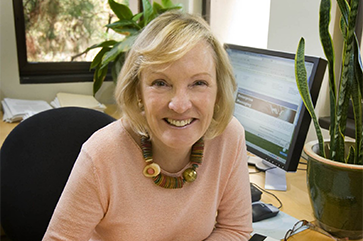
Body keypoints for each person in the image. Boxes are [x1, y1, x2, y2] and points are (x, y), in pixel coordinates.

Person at [43, 10, 252, 241]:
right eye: (161, 83)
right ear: (138, 92)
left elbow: (235, 230)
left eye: (199, 83)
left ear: (218, 92)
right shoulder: (102, 154)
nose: (180, 105)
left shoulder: (228, 136)